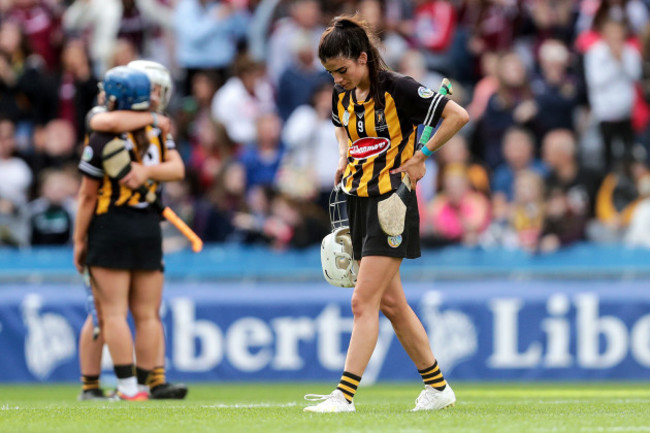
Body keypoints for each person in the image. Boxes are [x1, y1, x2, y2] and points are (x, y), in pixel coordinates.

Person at [303, 15, 469, 413]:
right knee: (391, 304)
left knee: (363, 303)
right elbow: (340, 126)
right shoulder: (341, 94)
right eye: (330, 73)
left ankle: (344, 395)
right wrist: (344, 153)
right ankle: (438, 389)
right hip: (356, 199)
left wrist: (422, 155)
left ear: (363, 58)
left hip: (390, 202)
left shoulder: (399, 88)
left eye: (343, 70)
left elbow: (457, 115)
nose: (337, 79)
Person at [77, 61, 188, 400]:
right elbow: (177, 168)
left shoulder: (102, 134)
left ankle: (126, 388)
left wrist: (79, 238)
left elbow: (87, 195)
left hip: (110, 224)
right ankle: (144, 383)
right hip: (148, 227)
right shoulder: (157, 128)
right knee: (147, 315)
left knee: (109, 313)